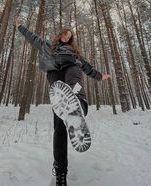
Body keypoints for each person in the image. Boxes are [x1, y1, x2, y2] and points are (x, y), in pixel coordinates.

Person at [15, 17, 111, 186]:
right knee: (59, 127)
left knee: (75, 71)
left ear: (71, 40)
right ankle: (60, 172)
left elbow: (86, 66)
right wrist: (20, 27)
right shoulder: (46, 46)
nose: (67, 37)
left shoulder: (74, 54)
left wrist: (100, 76)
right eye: (65, 34)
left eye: (69, 36)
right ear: (59, 35)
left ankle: (78, 104)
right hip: (56, 81)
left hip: (71, 78)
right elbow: (32, 37)